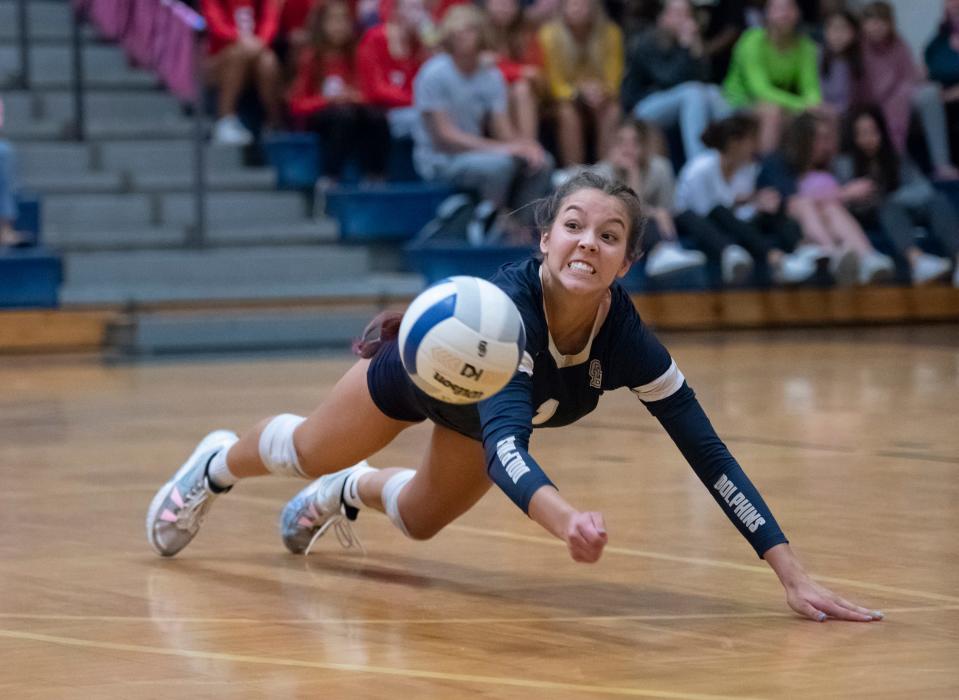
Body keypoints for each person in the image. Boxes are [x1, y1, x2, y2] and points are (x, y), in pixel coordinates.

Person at [146, 168, 885, 625]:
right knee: (302, 450)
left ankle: (350, 492)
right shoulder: (511, 322)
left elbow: (706, 450)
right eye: (573, 226)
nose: (586, 243)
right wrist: (566, 520)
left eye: (608, 235)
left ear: (627, 262)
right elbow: (507, 450)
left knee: (420, 521)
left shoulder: (627, 342)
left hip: (478, 417)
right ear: (545, 238)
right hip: (414, 377)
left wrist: (789, 572)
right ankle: (212, 466)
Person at [411, 4, 553, 225]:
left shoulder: (491, 76)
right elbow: (444, 137)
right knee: (499, 166)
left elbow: (502, 129)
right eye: (456, 32)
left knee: (541, 162)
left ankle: (521, 227)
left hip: (476, 152)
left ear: (481, 34)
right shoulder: (433, 74)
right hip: (440, 159)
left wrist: (525, 146)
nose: (462, 37)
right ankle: (491, 224)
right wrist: (502, 148)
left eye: (468, 30)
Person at [674, 114, 818, 285]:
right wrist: (742, 201)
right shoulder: (701, 169)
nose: (755, 147)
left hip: (735, 224)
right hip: (702, 228)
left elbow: (743, 212)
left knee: (772, 210)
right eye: (751, 140)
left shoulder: (748, 170)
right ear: (735, 143)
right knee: (720, 211)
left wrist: (758, 203)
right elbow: (703, 212)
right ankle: (777, 260)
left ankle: (803, 249)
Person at [759, 111, 894, 286]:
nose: (826, 146)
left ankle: (868, 257)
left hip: (824, 223)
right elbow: (789, 202)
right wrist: (845, 193)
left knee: (830, 207)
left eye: (827, 138)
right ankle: (834, 253)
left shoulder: (824, 168)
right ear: (804, 139)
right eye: (820, 139)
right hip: (787, 228)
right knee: (805, 203)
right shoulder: (777, 163)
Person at [836, 106, 958, 286]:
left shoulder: (896, 158)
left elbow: (923, 189)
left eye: (873, 132)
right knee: (887, 207)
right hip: (871, 214)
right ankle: (917, 261)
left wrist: (894, 197)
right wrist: (851, 193)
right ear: (852, 137)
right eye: (862, 133)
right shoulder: (844, 164)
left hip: (906, 207)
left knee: (938, 200)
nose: (868, 138)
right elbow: (838, 201)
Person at [287, 0, 392, 184]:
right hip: (323, 116)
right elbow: (297, 104)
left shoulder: (360, 53)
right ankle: (330, 178)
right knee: (344, 117)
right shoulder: (311, 57)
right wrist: (328, 100)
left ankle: (376, 177)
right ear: (321, 25)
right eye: (333, 21)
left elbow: (370, 92)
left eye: (344, 20)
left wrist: (355, 97)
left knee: (376, 117)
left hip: (355, 111)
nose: (339, 26)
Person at [592, 119, 707, 277]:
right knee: (642, 220)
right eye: (622, 142)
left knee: (687, 215)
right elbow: (627, 214)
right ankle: (660, 253)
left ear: (644, 146)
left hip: (662, 225)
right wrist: (633, 173)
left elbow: (668, 207)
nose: (628, 148)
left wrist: (658, 213)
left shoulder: (660, 167)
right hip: (619, 228)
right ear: (613, 145)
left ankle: (726, 253)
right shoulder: (602, 172)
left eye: (634, 142)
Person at [621, 0, 731, 161]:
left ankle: (730, 157)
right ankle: (697, 163)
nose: (684, 20)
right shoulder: (649, 41)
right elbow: (669, 79)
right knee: (693, 93)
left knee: (713, 92)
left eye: (687, 15)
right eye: (677, 14)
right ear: (662, 18)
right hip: (642, 106)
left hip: (676, 101)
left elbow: (704, 79)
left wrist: (697, 50)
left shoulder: (687, 41)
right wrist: (687, 48)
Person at [860, 1, 959, 180]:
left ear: (890, 23)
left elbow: (910, 79)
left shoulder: (899, 45)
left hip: (903, 101)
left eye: (881, 22)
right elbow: (867, 90)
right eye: (871, 22)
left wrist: (900, 95)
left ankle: (941, 164)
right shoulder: (859, 50)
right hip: (873, 104)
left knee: (928, 94)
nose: (876, 27)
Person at [722, 0, 821, 154]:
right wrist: (802, 106)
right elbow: (760, 90)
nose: (785, 13)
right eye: (779, 8)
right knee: (772, 113)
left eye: (790, 7)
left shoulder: (806, 46)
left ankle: (817, 173)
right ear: (767, 13)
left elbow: (811, 88)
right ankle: (767, 171)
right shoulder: (751, 40)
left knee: (827, 115)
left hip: (783, 104)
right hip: (738, 101)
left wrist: (813, 105)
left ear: (798, 13)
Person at [538, 0, 623, 166]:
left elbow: (614, 77)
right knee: (567, 112)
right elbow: (553, 81)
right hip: (562, 99)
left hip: (599, 97)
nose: (578, 9)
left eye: (583, 4)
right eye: (573, 4)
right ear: (563, 7)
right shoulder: (549, 35)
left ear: (594, 8)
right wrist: (577, 93)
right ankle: (574, 172)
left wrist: (602, 91)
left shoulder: (611, 33)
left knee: (612, 110)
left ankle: (606, 171)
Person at [201, 0, 285, 144]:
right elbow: (216, 25)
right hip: (220, 59)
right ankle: (225, 120)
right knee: (239, 54)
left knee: (268, 62)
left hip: (256, 56)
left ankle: (274, 123)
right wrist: (243, 42)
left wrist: (258, 43)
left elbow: (270, 22)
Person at [356, 0, 430, 140]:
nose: (419, 15)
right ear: (396, 11)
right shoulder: (374, 38)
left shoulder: (421, 45)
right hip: (379, 112)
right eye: (413, 8)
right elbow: (375, 89)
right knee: (426, 121)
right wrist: (417, 100)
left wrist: (430, 47)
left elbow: (427, 82)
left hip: (409, 109)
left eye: (422, 9)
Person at [483, 0, 545, 142]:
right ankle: (515, 148)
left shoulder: (525, 32)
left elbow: (535, 72)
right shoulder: (478, 30)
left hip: (524, 93)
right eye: (499, 3)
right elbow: (481, 67)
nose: (504, 8)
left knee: (521, 89)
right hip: (486, 92)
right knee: (505, 88)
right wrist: (518, 71)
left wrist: (504, 66)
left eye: (510, 4)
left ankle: (529, 146)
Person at [925, 0, 959, 167]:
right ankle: (943, 166)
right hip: (943, 101)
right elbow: (927, 72)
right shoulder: (938, 43)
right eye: (950, 9)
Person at [818, 10, 864, 119]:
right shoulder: (817, 55)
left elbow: (855, 99)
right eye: (833, 28)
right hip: (819, 110)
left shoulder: (859, 60)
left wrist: (836, 110)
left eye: (843, 29)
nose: (838, 34)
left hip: (848, 114)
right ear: (825, 31)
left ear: (854, 32)